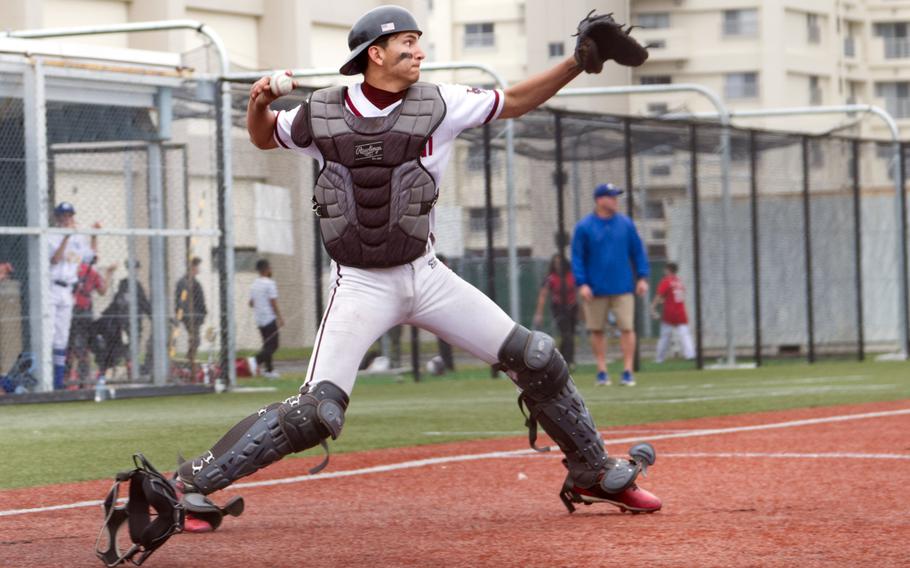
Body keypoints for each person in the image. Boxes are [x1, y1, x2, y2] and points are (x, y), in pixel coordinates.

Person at [170, 6, 660, 535]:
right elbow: (265, 137)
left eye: (419, 41)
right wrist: (259, 102)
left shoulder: (441, 101)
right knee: (316, 413)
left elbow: (515, 101)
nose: (419, 51)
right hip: (359, 283)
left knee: (535, 356)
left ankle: (592, 470)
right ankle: (188, 485)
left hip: (426, 276)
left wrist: (577, 62)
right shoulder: (321, 111)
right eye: (407, 42)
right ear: (374, 54)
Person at [571, 183, 649, 387]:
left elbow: (638, 252)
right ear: (599, 200)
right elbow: (577, 257)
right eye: (611, 196)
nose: (615, 200)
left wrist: (642, 277)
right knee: (596, 329)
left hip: (623, 286)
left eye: (616, 196)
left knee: (627, 327)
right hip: (594, 289)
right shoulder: (584, 226)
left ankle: (628, 370)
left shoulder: (626, 224)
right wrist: (582, 283)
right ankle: (602, 371)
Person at [47, 202, 97, 390]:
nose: (66, 218)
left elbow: (90, 257)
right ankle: (48, 377)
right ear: (57, 218)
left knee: (62, 336)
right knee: (50, 334)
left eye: (69, 215)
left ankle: (58, 380)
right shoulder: (50, 234)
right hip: (52, 287)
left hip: (68, 290)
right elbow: (55, 259)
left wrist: (94, 235)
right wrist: (66, 238)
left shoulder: (78, 237)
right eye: (63, 215)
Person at [67, 259, 116, 388]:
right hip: (76, 312)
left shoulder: (88, 271)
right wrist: (109, 273)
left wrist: (108, 273)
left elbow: (102, 290)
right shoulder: (76, 269)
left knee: (78, 348)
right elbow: (102, 290)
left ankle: (79, 379)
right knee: (77, 348)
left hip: (80, 312)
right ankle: (76, 379)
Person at [533, 254, 578, 369]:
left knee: (570, 335)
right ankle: (568, 361)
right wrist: (539, 313)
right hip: (559, 308)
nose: (558, 265)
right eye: (556, 263)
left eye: (560, 262)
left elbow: (578, 291)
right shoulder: (551, 278)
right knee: (566, 334)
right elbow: (543, 295)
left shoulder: (571, 275)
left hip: (572, 307)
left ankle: (565, 360)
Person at [651, 262, 695, 363]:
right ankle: (690, 355)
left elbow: (659, 295)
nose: (664, 271)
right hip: (680, 311)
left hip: (670, 312)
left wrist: (653, 306)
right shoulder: (678, 281)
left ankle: (659, 359)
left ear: (668, 270)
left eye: (665, 269)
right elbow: (674, 296)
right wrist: (664, 300)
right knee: (685, 335)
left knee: (664, 337)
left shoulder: (666, 281)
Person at [249, 259, 284, 379]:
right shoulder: (269, 283)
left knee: (267, 345)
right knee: (273, 345)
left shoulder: (254, 284)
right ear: (266, 269)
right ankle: (255, 361)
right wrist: (279, 317)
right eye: (270, 267)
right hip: (269, 318)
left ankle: (269, 370)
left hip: (259, 319)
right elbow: (273, 302)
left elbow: (251, 303)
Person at [175, 257, 207, 371]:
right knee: (195, 339)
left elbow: (200, 300)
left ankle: (190, 360)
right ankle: (189, 361)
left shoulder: (195, 282)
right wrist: (183, 313)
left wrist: (202, 313)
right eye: (196, 266)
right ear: (191, 267)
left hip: (196, 315)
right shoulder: (184, 282)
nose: (198, 268)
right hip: (189, 315)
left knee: (195, 340)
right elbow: (182, 299)